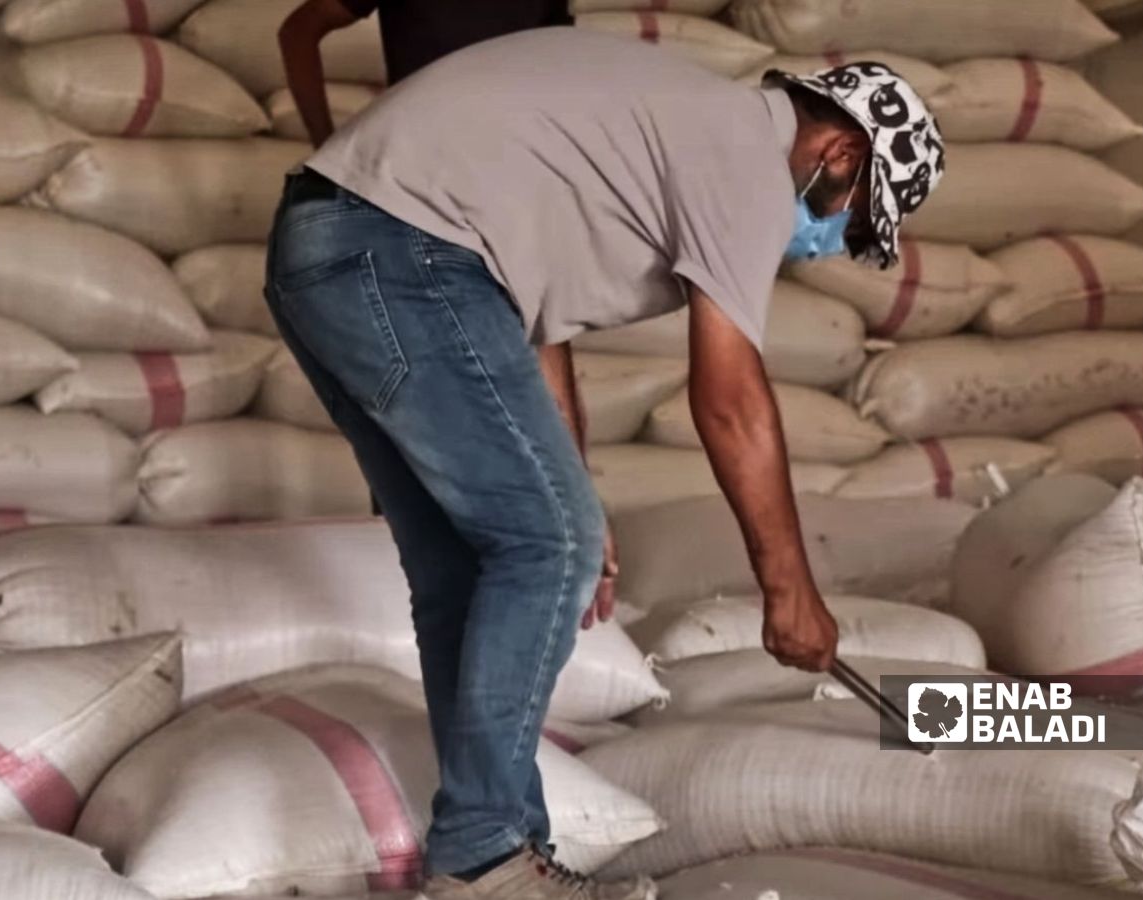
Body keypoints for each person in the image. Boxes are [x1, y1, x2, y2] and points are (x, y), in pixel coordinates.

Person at [264, 27, 943, 900]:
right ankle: (481, 857)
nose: (827, 237)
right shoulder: (745, 157)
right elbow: (732, 400)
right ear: (838, 150)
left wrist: (565, 492)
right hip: (401, 251)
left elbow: (526, 336)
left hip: (328, 248)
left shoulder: (661, 135)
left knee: (470, 561)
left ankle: (499, 852)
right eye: (849, 215)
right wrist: (789, 592)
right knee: (547, 542)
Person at [279, 0, 572, 145]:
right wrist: (323, 142)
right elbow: (298, 32)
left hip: (514, 159)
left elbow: (557, 62)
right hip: (423, 159)